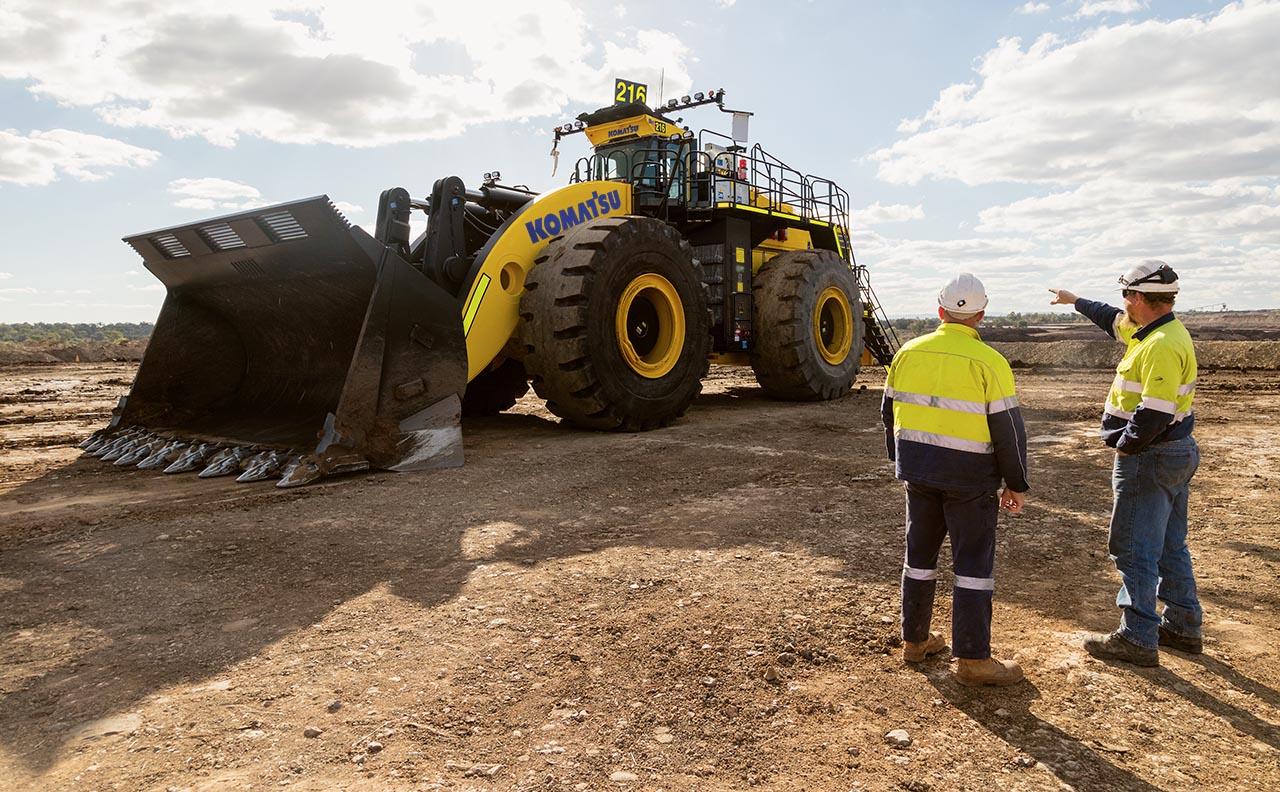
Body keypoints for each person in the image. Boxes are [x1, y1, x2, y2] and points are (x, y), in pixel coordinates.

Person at [1049, 261, 1202, 667]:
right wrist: (1075, 300)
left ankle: (1137, 636)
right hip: (1172, 453)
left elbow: (1153, 411)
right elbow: (1110, 320)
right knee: (1169, 543)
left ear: (1137, 298)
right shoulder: (1156, 331)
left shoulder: (1161, 345)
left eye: (1125, 296)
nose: (1122, 305)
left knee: (1133, 546)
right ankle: (1183, 625)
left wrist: (1126, 447)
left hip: (1151, 456)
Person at [882, 273, 1029, 687]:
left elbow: (888, 413)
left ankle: (915, 641)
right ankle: (974, 661)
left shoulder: (908, 353)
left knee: (919, 558)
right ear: (981, 315)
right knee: (972, 568)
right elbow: (1008, 431)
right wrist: (1015, 483)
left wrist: (904, 462)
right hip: (970, 480)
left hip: (919, 473)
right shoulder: (990, 362)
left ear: (939, 309)